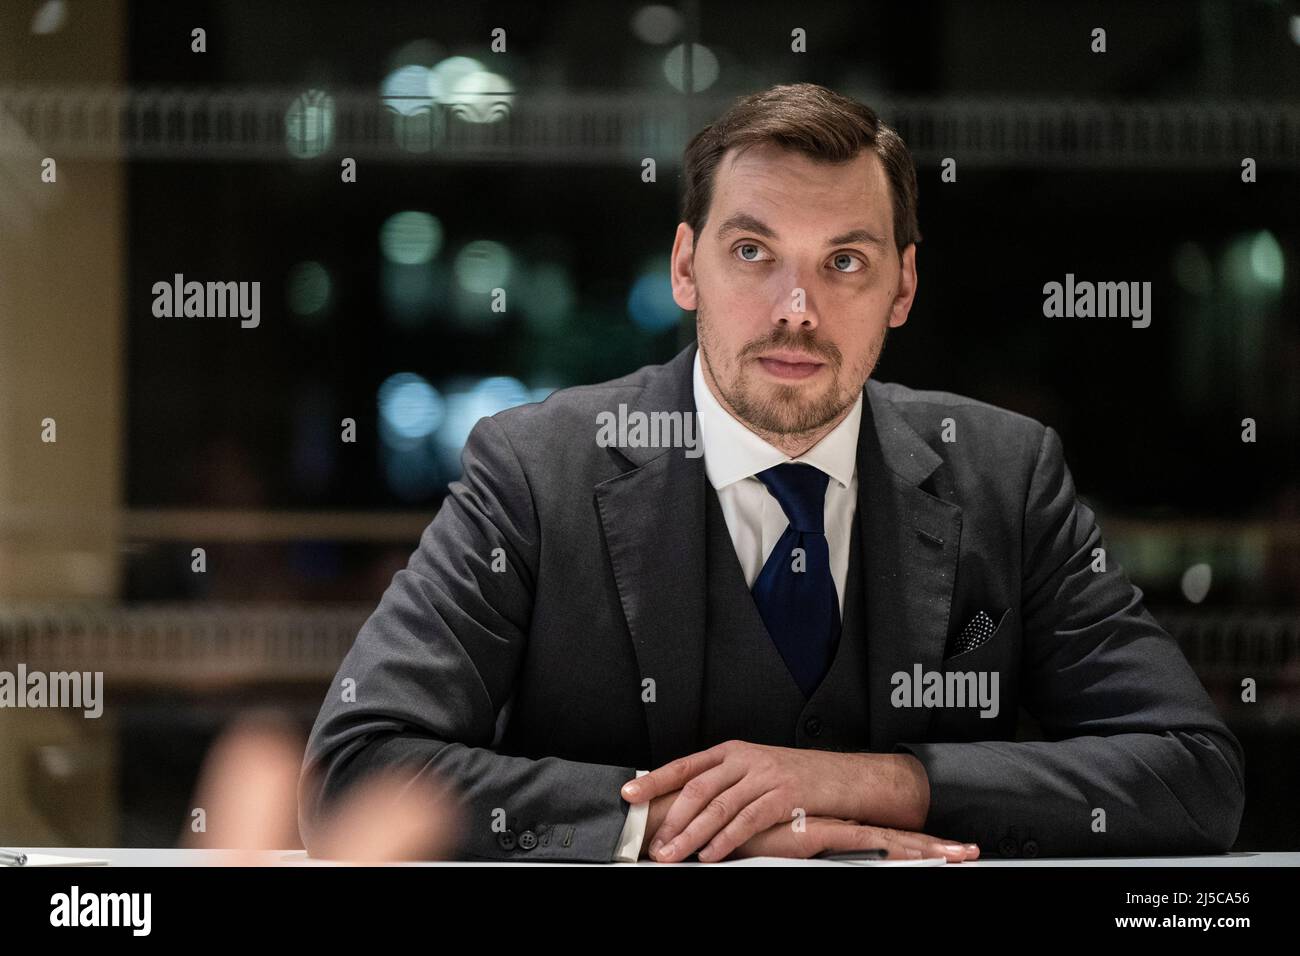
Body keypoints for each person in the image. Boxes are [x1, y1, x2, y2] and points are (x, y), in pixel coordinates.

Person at [300, 82, 1244, 863]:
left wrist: (883, 782)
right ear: (686, 265)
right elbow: (356, 771)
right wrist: (689, 820)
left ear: (903, 287)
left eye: (844, 262)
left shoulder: (1007, 475)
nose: (797, 309)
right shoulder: (535, 471)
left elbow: (1194, 775)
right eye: (752, 252)